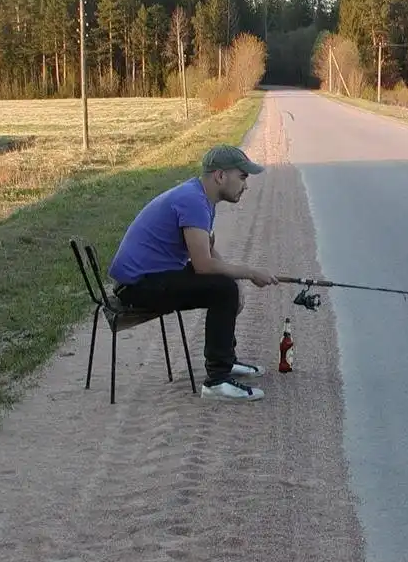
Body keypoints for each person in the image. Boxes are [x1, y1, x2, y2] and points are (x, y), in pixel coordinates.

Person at [107, 144, 279, 402]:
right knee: (223, 291)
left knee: (226, 286)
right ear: (220, 176)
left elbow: (207, 250)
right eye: (243, 177)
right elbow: (203, 266)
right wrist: (250, 273)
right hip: (136, 287)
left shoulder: (199, 196)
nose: (246, 186)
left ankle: (225, 360)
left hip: (149, 277)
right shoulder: (194, 202)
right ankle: (217, 382)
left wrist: (236, 280)